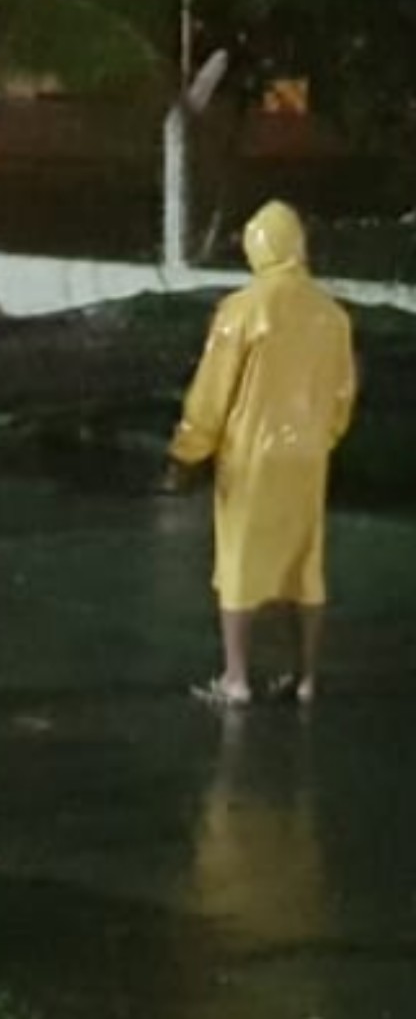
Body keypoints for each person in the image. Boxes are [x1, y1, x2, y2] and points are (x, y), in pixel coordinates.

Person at [170, 199, 358, 709]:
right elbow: (342, 396)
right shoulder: (333, 316)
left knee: (240, 566)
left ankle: (236, 678)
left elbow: (211, 394)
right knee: (304, 565)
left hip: (250, 458)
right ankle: (306, 678)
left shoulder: (242, 311)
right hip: (308, 457)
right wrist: (321, 439)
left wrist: (188, 451)